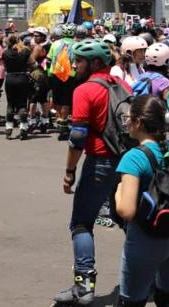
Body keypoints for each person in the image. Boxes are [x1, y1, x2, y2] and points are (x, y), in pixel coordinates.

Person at [52, 38, 131, 306]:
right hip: (126, 162)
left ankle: (83, 287)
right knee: (126, 220)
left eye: (79, 61)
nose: (75, 66)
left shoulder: (85, 90)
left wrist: (69, 172)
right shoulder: (121, 85)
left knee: (81, 223)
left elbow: (77, 137)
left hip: (99, 163)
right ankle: (148, 276)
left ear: (95, 63)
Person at [114, 95, 169, 306]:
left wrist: (119, 191)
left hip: (145, 241)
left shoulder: (133, 158)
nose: (126, 122)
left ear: (139, 123)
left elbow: (126, 210)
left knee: (131, 302)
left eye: (129, 118)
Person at [1, 34, 32, 140]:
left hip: (10, 79)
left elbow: (4, 65)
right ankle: (23, 128)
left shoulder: (5, 53)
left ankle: (8, 129)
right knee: (22, 103)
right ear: (19, 40)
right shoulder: (25, 51)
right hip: (22, 78)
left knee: (10, 103)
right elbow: (33, 63)